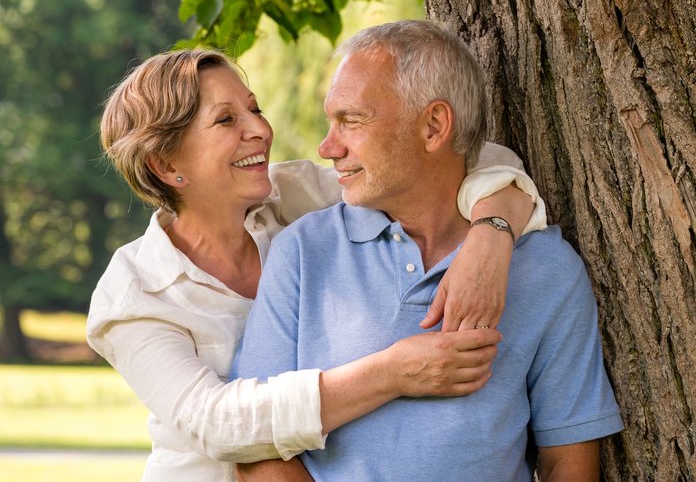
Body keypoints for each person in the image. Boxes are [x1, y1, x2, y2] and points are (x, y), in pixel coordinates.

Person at [86, 48, 548, 481]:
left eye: (255, 108)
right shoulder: (133, 294)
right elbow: (217, 424)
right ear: (166, 166)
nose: (260, 130)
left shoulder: (296, 199)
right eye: (226, 119)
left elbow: (457, 158)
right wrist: (393, 372)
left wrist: (491, 238)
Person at [231, 20, 624, 481]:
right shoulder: (302, 253)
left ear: (434, 126)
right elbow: (258, 449)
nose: (328, 147)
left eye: (351, 121)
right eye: (330, 121)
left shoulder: (547, 270)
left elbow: (569, 461)